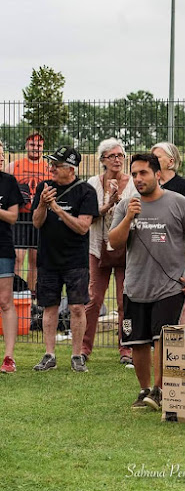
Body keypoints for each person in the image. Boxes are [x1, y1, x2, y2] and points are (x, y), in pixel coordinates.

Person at [108, 154, 185, 410]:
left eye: (144, 173)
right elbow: (114, 243)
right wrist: (129, 218)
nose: (138, 179)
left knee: (161, 337)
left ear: (158, 174)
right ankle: (144, 390)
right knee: (137, 342)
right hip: (135, 287)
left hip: (169, 287)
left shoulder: (180, 203)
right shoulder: (126, 206)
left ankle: (160, 390)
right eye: (135, 174)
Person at [31, 147, 99, 372]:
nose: (51, 168)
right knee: (49, 307)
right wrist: (42, 204)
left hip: (76, 261)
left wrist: (57, 209)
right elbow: (36, 223)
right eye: (51, 164)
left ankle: (77, 355)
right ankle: (49, 354)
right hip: (48, 259)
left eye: (56, 165)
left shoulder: (86, 191)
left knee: (77, 307)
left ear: (70, 169)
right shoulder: (44, 188)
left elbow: (82, 227)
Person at [82, 138, 136, 365]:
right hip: (98, 247)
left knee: (126, 301)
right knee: (94, 299)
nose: (117, 160)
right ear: (103, 160)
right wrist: (109, 204)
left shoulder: (133, 183)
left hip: (127, 249)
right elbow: (88, 216)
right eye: (112, 156)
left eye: (121, 155)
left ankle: (127, 348)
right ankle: (83, 348)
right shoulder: (93, 183)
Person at [152, 142, 185, 324]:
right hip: (152, 249)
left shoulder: (183, 186)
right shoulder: (149, 185)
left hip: (178, 250)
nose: (152, 160)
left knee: (183, 298)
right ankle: (158, 341)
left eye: (157, 157)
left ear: (170, 162)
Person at [6, 133, 51, 294]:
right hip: (21, 216)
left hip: (39, 215)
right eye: (32, 145)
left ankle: (32, 295)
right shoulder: (15, 166)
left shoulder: (48, 167)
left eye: (39, 146)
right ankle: (17, 291)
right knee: (18, 256)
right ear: (26, 146)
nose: (35, 148)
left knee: (35, 258)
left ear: (43, 147)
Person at [0, 140, 25, 373]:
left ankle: (8, 357)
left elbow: (13, 217)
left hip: (3, 248)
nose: (0, 159)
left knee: (6, 302)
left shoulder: (8, 183)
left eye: (1, 156)